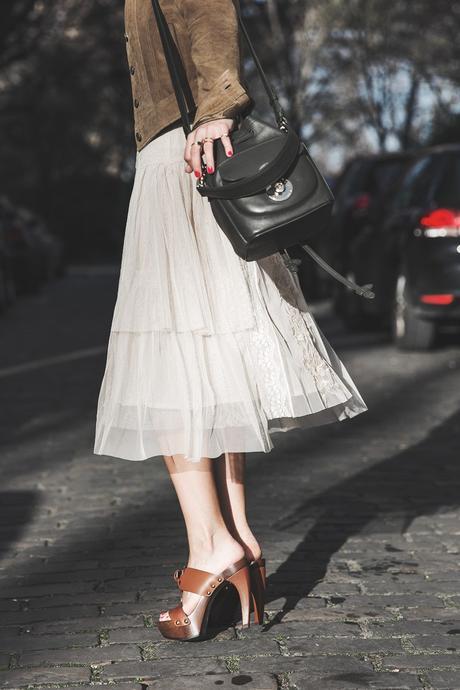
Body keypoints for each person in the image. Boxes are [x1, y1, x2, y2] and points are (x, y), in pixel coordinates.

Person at [93, 0, 367, 641]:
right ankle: (238, 534)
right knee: (211, 348)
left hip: (185, 153)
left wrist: (215, 112)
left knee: (171, 359)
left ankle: (209, 547)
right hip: (190, 148)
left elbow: (209, 13)